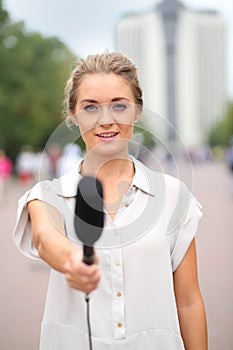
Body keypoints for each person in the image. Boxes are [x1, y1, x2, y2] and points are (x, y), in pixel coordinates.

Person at [13, 51, 207, 350]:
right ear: (73, 115)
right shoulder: (46, 196)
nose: (106, 120)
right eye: (90, 107)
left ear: (137, 111)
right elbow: (43, 236)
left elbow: (189, 302)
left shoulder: (173, 196)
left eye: (119, 105)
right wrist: (72, 261)